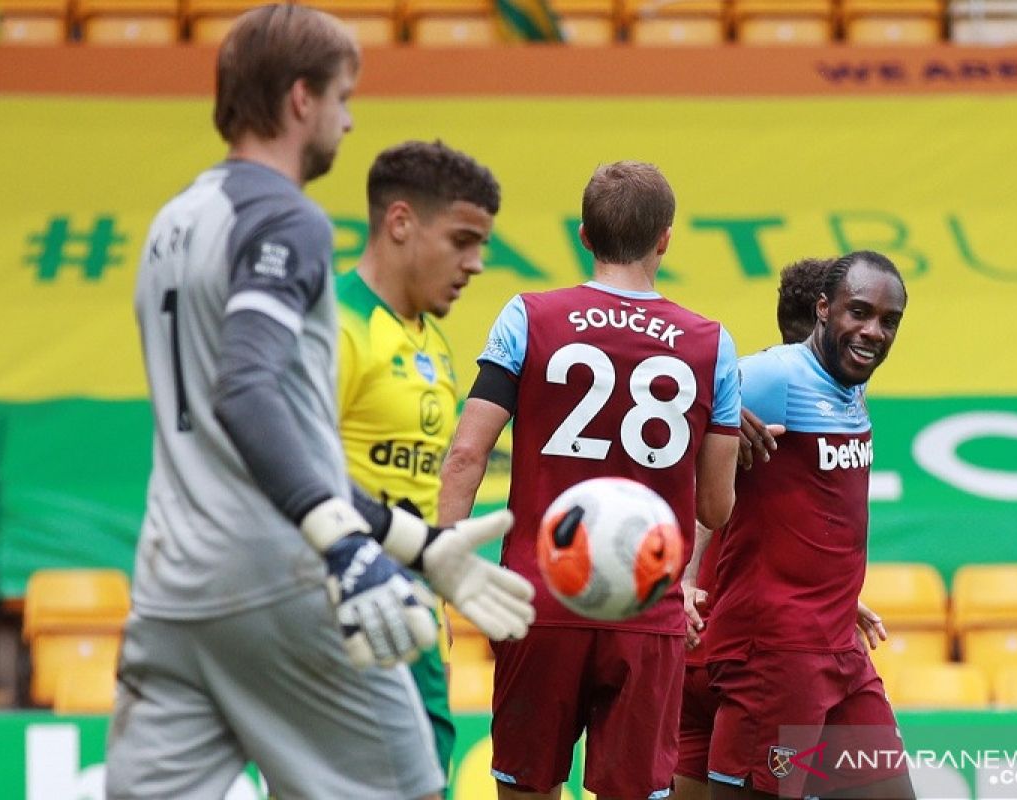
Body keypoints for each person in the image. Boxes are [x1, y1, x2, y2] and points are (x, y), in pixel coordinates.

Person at [107, 8, 532, 799]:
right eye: (343, 96)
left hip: (170, 590)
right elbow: (249, 393)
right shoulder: (284, 217)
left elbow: (267, 438)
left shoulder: (173, 221)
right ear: (301, 99)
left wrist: (412, 539)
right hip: (278, 581)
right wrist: (345, 547)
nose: (348, 118)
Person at [438, 160, 742, 800]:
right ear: (665, 238)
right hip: (646, 603)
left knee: (525, 787)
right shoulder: (712, 345)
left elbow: (466, 457)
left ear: (584, 235)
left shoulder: (529, 316)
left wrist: (445, 568)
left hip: (539, 597)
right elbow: (715, 504)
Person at [674, 258, 887, 800]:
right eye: (857, 312)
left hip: (835, 644)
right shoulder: (773, 376)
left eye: (887, 320)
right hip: (774, 648)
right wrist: (684, 576)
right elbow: (672, 417)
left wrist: (833, 585)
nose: (872, 332)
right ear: (822, 312)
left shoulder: (849, 386)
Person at [336, 140, 502, 788]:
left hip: (417, 626)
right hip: (342, 622)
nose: (477, 264)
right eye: (462, 240)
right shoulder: (333, 326)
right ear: (400, 222)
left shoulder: (431, 339)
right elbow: (288, 478)